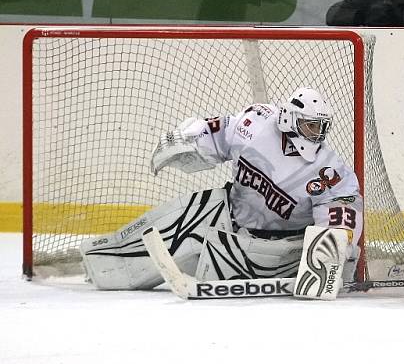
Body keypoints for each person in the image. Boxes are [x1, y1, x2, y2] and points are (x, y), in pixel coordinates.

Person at [80, 87, 364, 293]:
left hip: (273, 246)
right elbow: (218, 131)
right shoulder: (257, 122)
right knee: (141, 244)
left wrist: (336, 248)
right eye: (311, 126)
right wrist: (186, 140)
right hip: (225, 212)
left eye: (321, 127)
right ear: (290, 119)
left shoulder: (329, 171)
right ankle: (96, 265)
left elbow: (344, 210)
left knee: (209, 267)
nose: (318, 134)